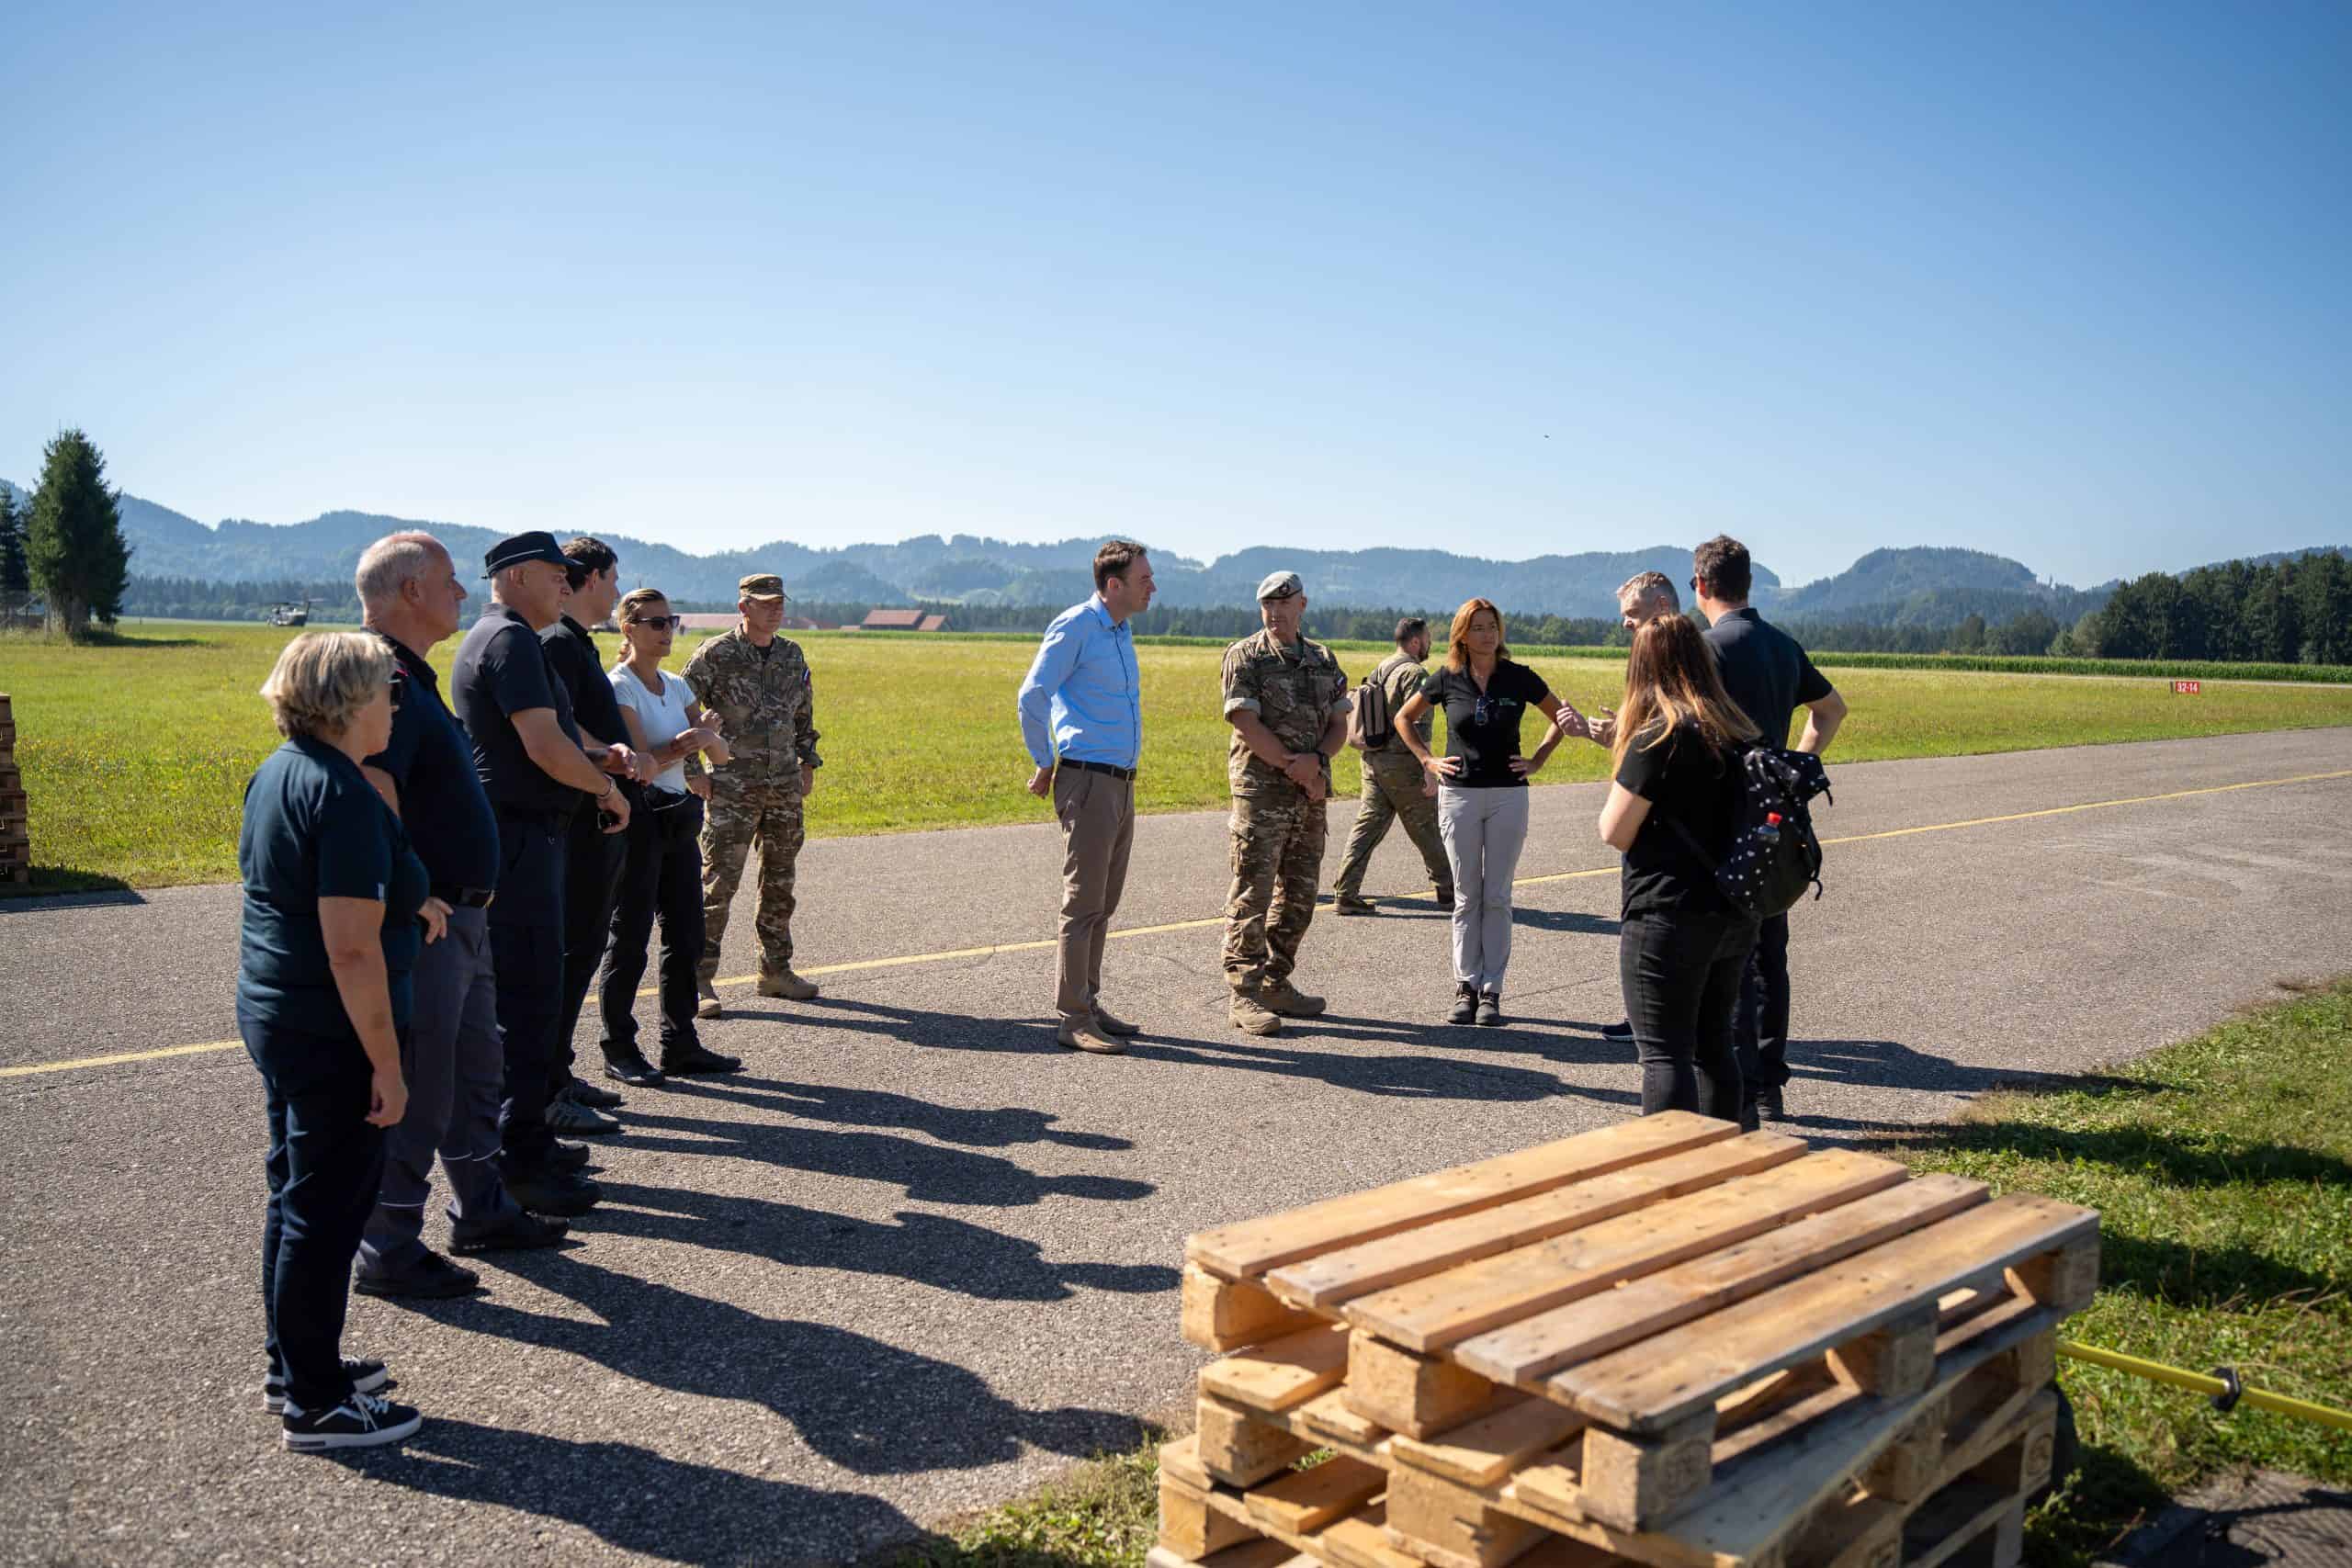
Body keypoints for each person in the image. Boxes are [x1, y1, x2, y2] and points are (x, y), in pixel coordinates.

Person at [237, 631, 442, 1450]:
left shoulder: (281, 771)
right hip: (332, 1029)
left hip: (281, 1012)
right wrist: (387, 1065)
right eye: (389, 688)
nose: (396, 702)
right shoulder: (344, 794)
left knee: (295, 1195)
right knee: (325, 1213)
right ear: (351, 700)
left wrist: (409, 900)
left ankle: (293, 1363)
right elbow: (351, 949)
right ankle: (317, 1401)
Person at [354, 534, 570, 1304]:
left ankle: (482, 1207)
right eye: (448, 581)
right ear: (411, 590)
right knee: (423, 1081)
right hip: (432, 922)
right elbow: (370, 782)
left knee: (476, 1069)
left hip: (466, 916)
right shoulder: (380, 678)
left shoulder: (413, 673)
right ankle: (389, 1245)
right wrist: (411, 889)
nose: (460, 592)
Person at [450, 532, 629, 1219]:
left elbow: (560, 730)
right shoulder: (512, 640)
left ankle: (530, 1141)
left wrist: (602, 759)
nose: (566, 582)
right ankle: (519, 1162)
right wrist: (604, 790)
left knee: (534, 997)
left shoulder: (508, 637)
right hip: (521, 839)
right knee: (526, 1004)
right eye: (556, 573)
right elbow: (545, 743)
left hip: (527, 837)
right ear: (519, 575)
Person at [1692, 535, 1848, 1121]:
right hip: (1771, 818)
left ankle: (1731, 1083)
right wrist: (1792, 765)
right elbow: (1831, 709)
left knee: (1719, 957)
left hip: (1716, 819)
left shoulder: (1704, 648)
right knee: (1766, 954)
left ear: (1700, 585)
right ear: (1748, 583)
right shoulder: (1783, 644)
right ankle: (1767, 1080)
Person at [1598, 613, 1762, 1122]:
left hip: (1667, 914)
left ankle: (1675, 1160)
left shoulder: (1657, 737)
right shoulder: (1737, 732)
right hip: (1733, 911)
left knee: (1664, 1054)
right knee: (1715, 1047)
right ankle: (1726, 1153)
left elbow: (1614, 830)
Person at [1393, 599, 1588, 1026]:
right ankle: (1465, 986)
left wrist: (1537, 760)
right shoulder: (1446, 677)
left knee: (1497, 895)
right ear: (1462, 634)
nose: (1487, 635)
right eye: (1478, 627)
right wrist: (1428, 760)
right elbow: (1404, 719)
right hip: (1459, 795)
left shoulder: (1519, 677)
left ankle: (1491, 991)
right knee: (1466, 897)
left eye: (1492, 627)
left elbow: (1561, 717)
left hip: (1508, 795)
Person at [1016, 540, 1155, 1055]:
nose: (1152, 587)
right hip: (1090, 780)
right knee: (1083, 904)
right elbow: (1032, 695)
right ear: (1113, 585)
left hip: (1119, 781)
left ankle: (1089, 1004)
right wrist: (1044, 759)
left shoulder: (1119, 631)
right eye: (1144, 579)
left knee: (1104, 902)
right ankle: (1072, 1017)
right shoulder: (1076, 625)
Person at [601, 588, 741, 1079]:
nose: (667, 631)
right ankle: (619, 1047)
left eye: (671, 621)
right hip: (641, 820)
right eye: (656, 623)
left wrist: (702, 739)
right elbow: (640, 764)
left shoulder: (677, 686)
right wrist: (693, 740)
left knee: (686, 933)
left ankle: (679, 1042)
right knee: (631, 935)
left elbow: (720, 754)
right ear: (629, 628)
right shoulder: (619, 687)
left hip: (680, 816)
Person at [538, 536, 652, 1135]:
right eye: (612, 579)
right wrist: (610, 757)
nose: (616, 591)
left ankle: (558, 1071)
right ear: (590, 579)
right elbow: (557, 724)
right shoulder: (559, 642)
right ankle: (547, 1085)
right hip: (585, 817)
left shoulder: (575, 641)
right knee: (573, 951)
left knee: (582, 950)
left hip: (599, 814)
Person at [683, 573, 822, 1018]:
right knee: (718, 885)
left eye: (779, 602)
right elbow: (680, 711)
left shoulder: (790, 654)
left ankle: (775, 971)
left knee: (780, 882)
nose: (775, 610)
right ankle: (698, 979)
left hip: (783, 786)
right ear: (743, 607)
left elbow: (803, 714)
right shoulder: (715, 654)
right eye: (765, 603)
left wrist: (807, 761)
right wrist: (692, 771)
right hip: (731, 788)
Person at [1219, 571, 1351, 1036]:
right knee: (1252, 893)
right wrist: (1295, 767)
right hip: (1262, 794)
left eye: (1283, 603)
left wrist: (1317, 763)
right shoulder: (1246, 655)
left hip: (1309, 794)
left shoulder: (1322, 659)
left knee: (1300, 895)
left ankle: (1275, 981)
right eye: (1267, 605)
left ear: (1302, 605)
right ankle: (1244, 992)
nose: (1274, 612)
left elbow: (1339, 724)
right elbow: (1245, 722)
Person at [1592, 570, 1683, 1044]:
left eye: (1632, 614)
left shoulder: (1682, 664)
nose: (1626, 624)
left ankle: (1652, 1020)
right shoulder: (1671, 662)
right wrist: (1617, 737)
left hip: (1662, 834)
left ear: (1662, 607)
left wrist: (1632, 745)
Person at [1330, 617, 1453, 916]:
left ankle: (1346, 892)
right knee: (1428, 826)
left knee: (1367, 827)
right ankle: (1449, 891)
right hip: (1403, 763)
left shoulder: (1381, 668)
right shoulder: (1415, 673)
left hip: (1373, 760)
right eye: (1427, 639)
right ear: (1415, 642)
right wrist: (1428, 767)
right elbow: (1419, 724)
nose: (1430, 644)